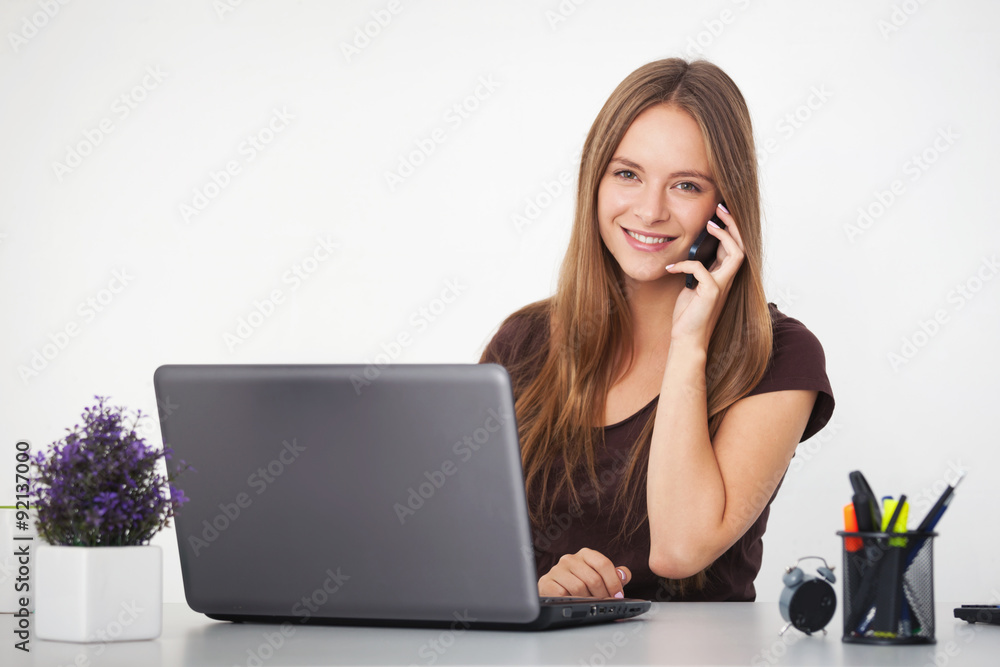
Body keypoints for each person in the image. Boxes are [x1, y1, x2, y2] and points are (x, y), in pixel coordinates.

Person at [478, 58, 835, 602]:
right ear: (594, 182)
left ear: (726, 208)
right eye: (627, 174)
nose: (648, 210)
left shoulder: (779, 356)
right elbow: (463, 554)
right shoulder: (524, 342)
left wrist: (689, 345)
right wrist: (538, 593)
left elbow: (680, 549)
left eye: (686, 185)